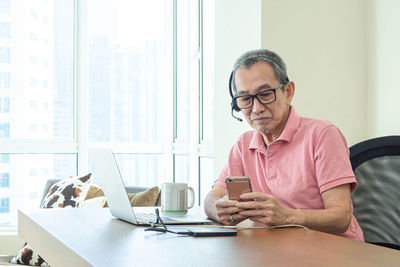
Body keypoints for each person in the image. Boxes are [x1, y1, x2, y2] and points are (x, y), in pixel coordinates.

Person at [204, 49, 364, 241]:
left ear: (288, 92)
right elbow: (211, 199)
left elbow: (341, 217)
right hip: (274, 250)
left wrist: (286, 216)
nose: (256, 108)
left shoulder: (322, 134)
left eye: (265, 94)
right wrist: (219, 208)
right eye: (245, 99)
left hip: (333, 252)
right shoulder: (244, 144)